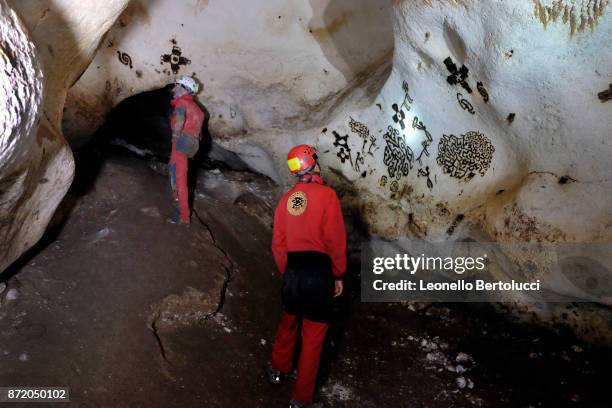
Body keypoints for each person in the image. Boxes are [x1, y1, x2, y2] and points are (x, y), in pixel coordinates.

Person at [267, 144, 346, 408]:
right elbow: (335, 240)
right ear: (313, 163)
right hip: (318, 273)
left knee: (288, 322)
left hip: (293, 271)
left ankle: (277, 369)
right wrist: (338, 274)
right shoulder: (327, 196)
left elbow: (278, 243)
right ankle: (301, 401)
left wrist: (288, 272)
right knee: (313, 336)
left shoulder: (286, 199)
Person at [168, 76, 205, 224]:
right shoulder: (197, 108)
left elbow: (179, 120)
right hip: (189, 144)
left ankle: (183, 216)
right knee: (176, 172)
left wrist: (175, 137)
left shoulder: (182, 102)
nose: (174, 88)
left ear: (184, 88)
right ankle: (181, 210)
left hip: (179, 143)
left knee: (178, 178)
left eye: (177, 85)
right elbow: (199, 133)